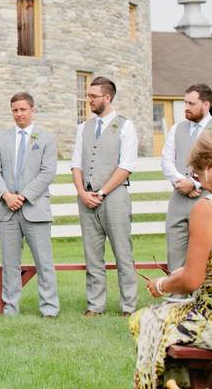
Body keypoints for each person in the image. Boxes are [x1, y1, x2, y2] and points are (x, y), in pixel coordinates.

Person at [131, 130, 212, 389]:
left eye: (196, 173)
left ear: (206, 165)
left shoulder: (207, 208)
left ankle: (172, 383)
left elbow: (192, 280)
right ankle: (177, 381)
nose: (199, 181)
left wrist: (162, 285)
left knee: (145, 320)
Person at [0, 92, 59, 317]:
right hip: (6, 209)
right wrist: (6, 195)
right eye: (15, 110)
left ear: (32, 110)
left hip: (35, 209)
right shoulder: (1, 138)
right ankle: (11, 308)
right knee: (10, 263)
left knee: (44, 262)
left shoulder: (45, 138)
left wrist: (24, 196)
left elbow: (48, 172)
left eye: (23, 110)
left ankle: (49, 308)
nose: (19, 114)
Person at [71, 76, 139, 317]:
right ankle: (95, 305)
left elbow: (126, 166)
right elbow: (76, 164)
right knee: (92, 255)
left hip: (115, 198)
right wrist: (82, 193)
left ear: (107, 97)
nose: (88, 100)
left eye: (93, 96)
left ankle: (128, 306)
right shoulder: (83, 128)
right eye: (88, 96)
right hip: (86, 199)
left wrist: (101, 193)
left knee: (123, 253)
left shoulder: (125, 126)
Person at [162, 83, 212, 271]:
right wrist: (180, 182)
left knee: (207, 255)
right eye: (184, 102)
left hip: (208, 199)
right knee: (175, 253)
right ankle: (175, 299)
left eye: (191, 103)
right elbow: (166, 160)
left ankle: (204, 298)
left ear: (206, 105)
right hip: (178, 199)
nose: (186, 107)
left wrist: (194, 183)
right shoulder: (176, 129)